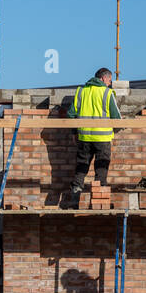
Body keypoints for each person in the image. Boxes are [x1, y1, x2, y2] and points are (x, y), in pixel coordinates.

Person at [63, 68, 122, 207]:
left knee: (81, 168)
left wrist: (74, 133)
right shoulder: (107, 93)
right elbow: (117, 118)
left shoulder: (81, 91)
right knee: (101, 170)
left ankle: (74, 202)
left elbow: (71, 114)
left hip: (84, 138)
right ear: (103, 79)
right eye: (109, 79)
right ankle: (99, 203)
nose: (110, 82)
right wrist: (117, 129)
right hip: (102, 139)